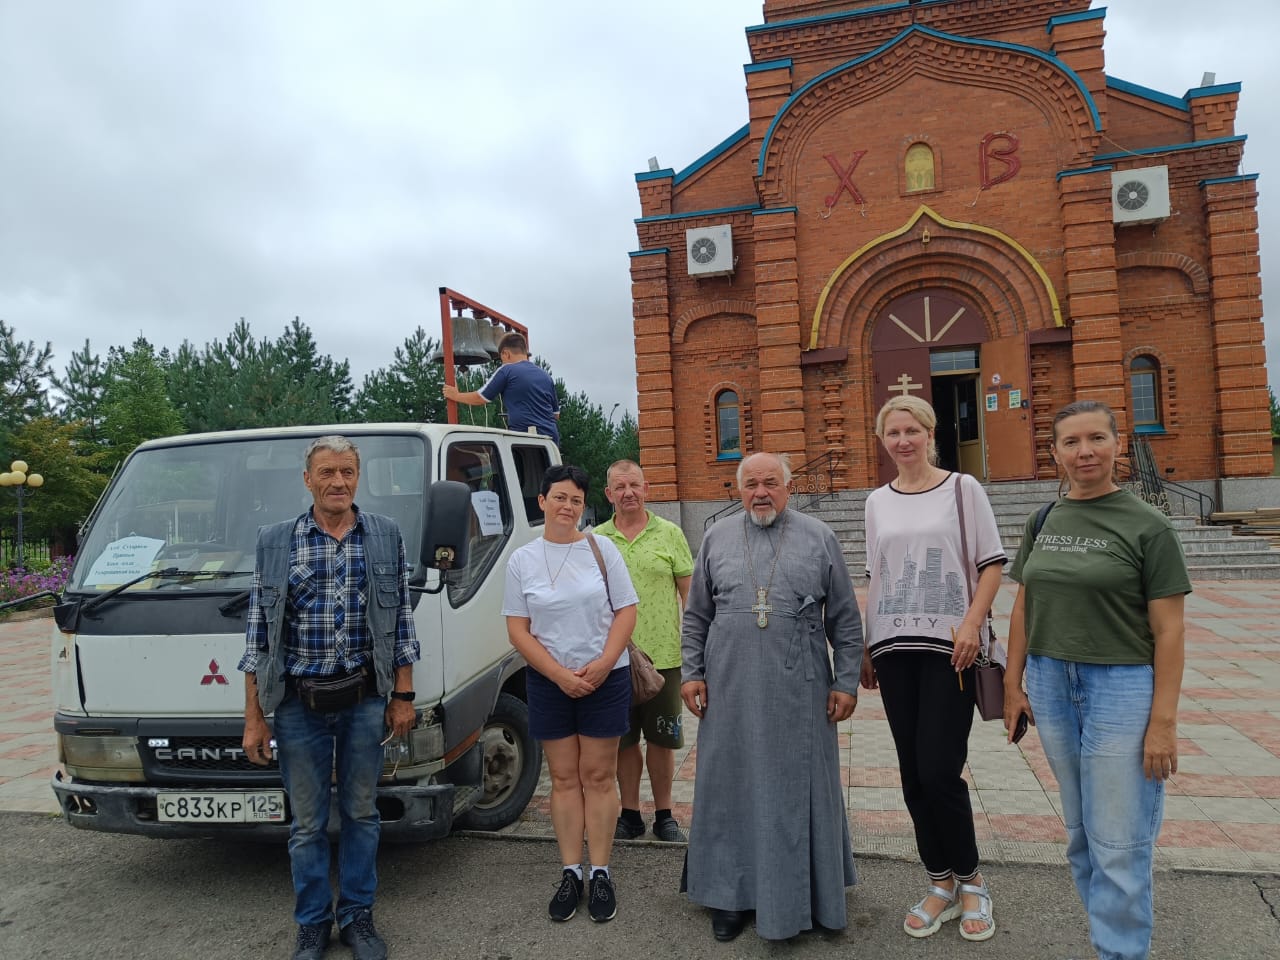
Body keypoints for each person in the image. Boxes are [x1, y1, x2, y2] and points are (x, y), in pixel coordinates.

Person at [1003, 400, 1190, 960]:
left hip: (1121, 688)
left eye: (1096, 439)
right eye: (1071, 442)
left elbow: (1171, 631)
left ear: (1117, 444)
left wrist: (1162, 723)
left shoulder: (1148, 525)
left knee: (1119, 840)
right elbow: (1023, 606)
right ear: (1055, 452)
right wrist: (1014, 687)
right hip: (1052, 682)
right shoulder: (1045, 519)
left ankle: (1121, 951)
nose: (1084, 452)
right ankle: (1108, 942)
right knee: (1083, 836)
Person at [239, 436, 418, 960]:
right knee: (307, 823)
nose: (338, 482)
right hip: (297, 706)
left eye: (347, 472)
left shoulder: (384, 536)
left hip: (365, 701)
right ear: (308, 479)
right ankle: (312, 923)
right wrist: (255, 718)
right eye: (327, 472)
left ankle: (358, 917)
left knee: (362, 813)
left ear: (358, 478)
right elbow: (257, 637)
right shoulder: (275, 541)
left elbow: (401, 622)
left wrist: (402, 696)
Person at [681, 451, 863, 943]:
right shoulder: (717, 537)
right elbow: (696, 614)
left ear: (788, 487)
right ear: (737, 490)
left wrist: (846, 682)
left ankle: (809, 897)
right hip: (729, 687)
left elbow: (845, 620)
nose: (761, 492)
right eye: (751, 484)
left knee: (795, 789)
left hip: (800, 690)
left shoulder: (818, 536)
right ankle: (729, 895)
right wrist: (691, 673)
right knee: (729, 787)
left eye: (771, 483)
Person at [861, 396, 1005, 942]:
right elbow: (877, 574)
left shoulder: (963, 489)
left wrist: (971, 624)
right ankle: (939, 880)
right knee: (912, 772)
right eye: (893, 432)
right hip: (895, 648)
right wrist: (866, 643)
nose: (903, 440)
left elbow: (991, 564)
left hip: (953, 649)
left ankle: (972, 880)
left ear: (930, 432)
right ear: (883, 440)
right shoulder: (877, 501)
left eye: (912, 430)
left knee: (941, 768)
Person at [502, 464, 638, 923]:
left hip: (605, 678)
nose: (567, 506)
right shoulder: (522, 560)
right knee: (563, 778)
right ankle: (570, 871)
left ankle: (600, 871)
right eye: (559, 497)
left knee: (598, 776)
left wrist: (602, 665)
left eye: (576, 500)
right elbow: (518, 630)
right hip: (548, 681)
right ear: (541, 502)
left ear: (584, 506)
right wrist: (559, 675)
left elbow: (626, 611)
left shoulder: (603, 550)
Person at [594, 459, 694, 843]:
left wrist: (699, 653)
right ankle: (630, 812)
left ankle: (665, 814)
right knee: (622, 740)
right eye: (619, 487)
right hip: (614, 659)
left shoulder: (670, 534)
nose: (628, 493)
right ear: (609, 494)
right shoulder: (596, 540)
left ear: (647, 488)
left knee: (663, 739)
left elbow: (690, 597)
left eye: (634, 485)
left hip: (664, 658)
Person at [442, 331, 560, 444]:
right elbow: (555, 415)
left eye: (501, 358)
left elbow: (481, 397)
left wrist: (456, 395)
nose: (502, 362)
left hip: (528, 438)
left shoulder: (507, 370)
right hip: (551, 439)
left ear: (506, 353)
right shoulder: (545, 376)